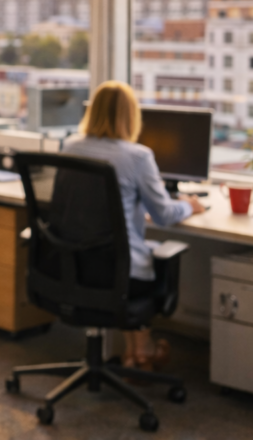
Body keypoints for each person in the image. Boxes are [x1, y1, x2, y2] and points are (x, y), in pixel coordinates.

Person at [62, 81, 205, 372]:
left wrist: (134, 210)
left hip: (73, 266)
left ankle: (135, 353)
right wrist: (191, 205)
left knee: (129, 253)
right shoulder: (137, 157)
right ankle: (143, 352)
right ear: (131, 116)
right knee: (142, 256)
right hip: (118, 273)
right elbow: (165, 215)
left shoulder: (70, 147)